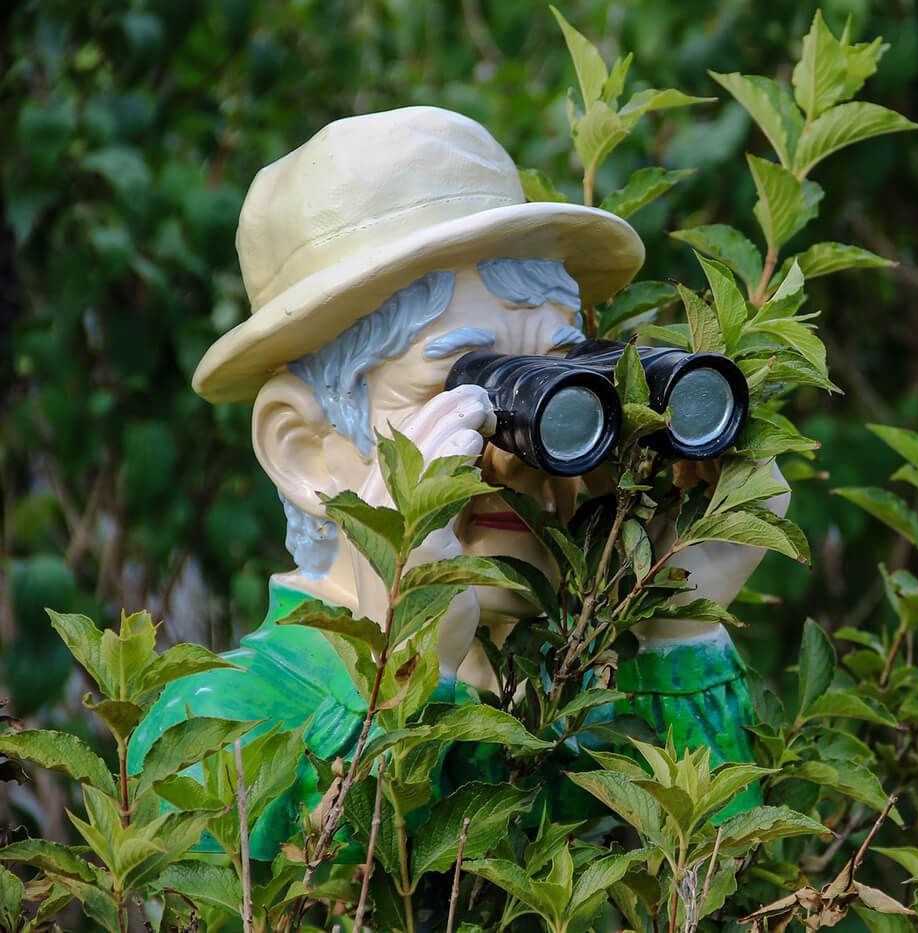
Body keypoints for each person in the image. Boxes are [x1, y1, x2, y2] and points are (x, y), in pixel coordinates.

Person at [127, 106, 786, 858]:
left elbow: (725, 893)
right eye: (462, 393)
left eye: (557, 382)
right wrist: (406, 678)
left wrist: (680, 626)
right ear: (306, 449)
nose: (519, 459)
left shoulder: (585, 713)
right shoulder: (216, 725)